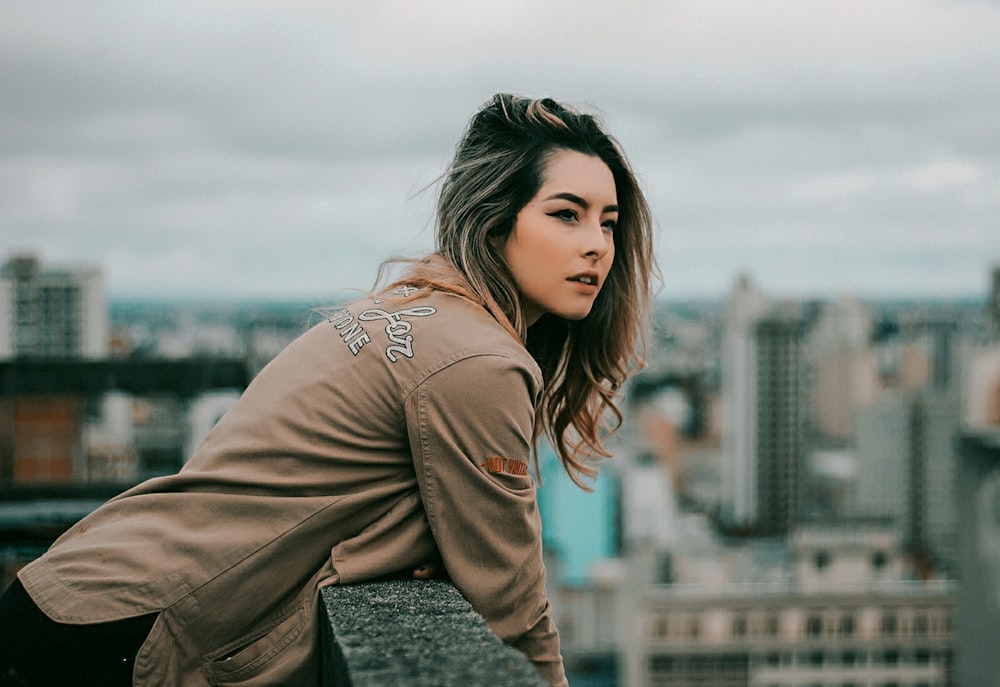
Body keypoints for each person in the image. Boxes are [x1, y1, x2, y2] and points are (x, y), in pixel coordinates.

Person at [0, 93, 656, 686]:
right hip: (126, 628)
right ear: (495, 222)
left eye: (607, 221)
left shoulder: (410, 310)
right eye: (566, 214)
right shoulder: (478, 360)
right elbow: (511, 604)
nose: (597, 245)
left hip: (84, 591)